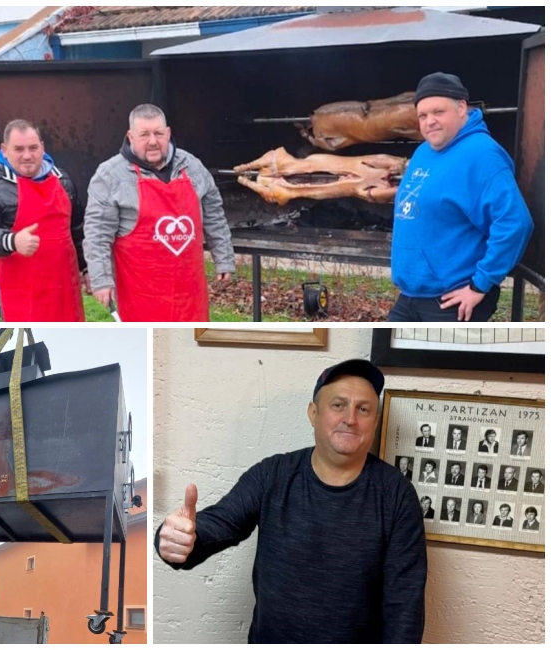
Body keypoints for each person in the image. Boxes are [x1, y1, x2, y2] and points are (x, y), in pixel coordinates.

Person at [155, 359, 425, 643]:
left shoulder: (397, 496)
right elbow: (216, 525)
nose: (350, 419)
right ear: (313, 413)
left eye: (364, 409)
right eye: (338, 405)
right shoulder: (273, 475)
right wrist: (177, 538)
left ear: (376, 420)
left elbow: (404, 610)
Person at [389, 72, 534, 321]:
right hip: (411, 295)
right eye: (422, 115)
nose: (429, 121)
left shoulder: (482, 155)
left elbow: (515, 223)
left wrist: (480, 284)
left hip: (451, 300)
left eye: (438, 112)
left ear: (461, 108)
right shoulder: (424, 151)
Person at [84, 104, 235, 321]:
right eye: (144, 134)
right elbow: (97, 235)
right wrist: (101, 280)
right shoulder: (110, 176)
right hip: (141, 295)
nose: (153, 141)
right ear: (130, 137)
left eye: (158, 133)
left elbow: (214, 216)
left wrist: (224, 258)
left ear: (168, 133)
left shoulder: (192, 167)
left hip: (190, 294)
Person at [0, 119, 86, 321]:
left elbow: (76, 229)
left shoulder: (62, 179)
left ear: (42, 147)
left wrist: (86, 268)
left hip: (63, 286)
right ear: (4, 149)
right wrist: (11, 241)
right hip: (18, 290)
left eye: (33, 148)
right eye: (18, 149)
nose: (27, 156)